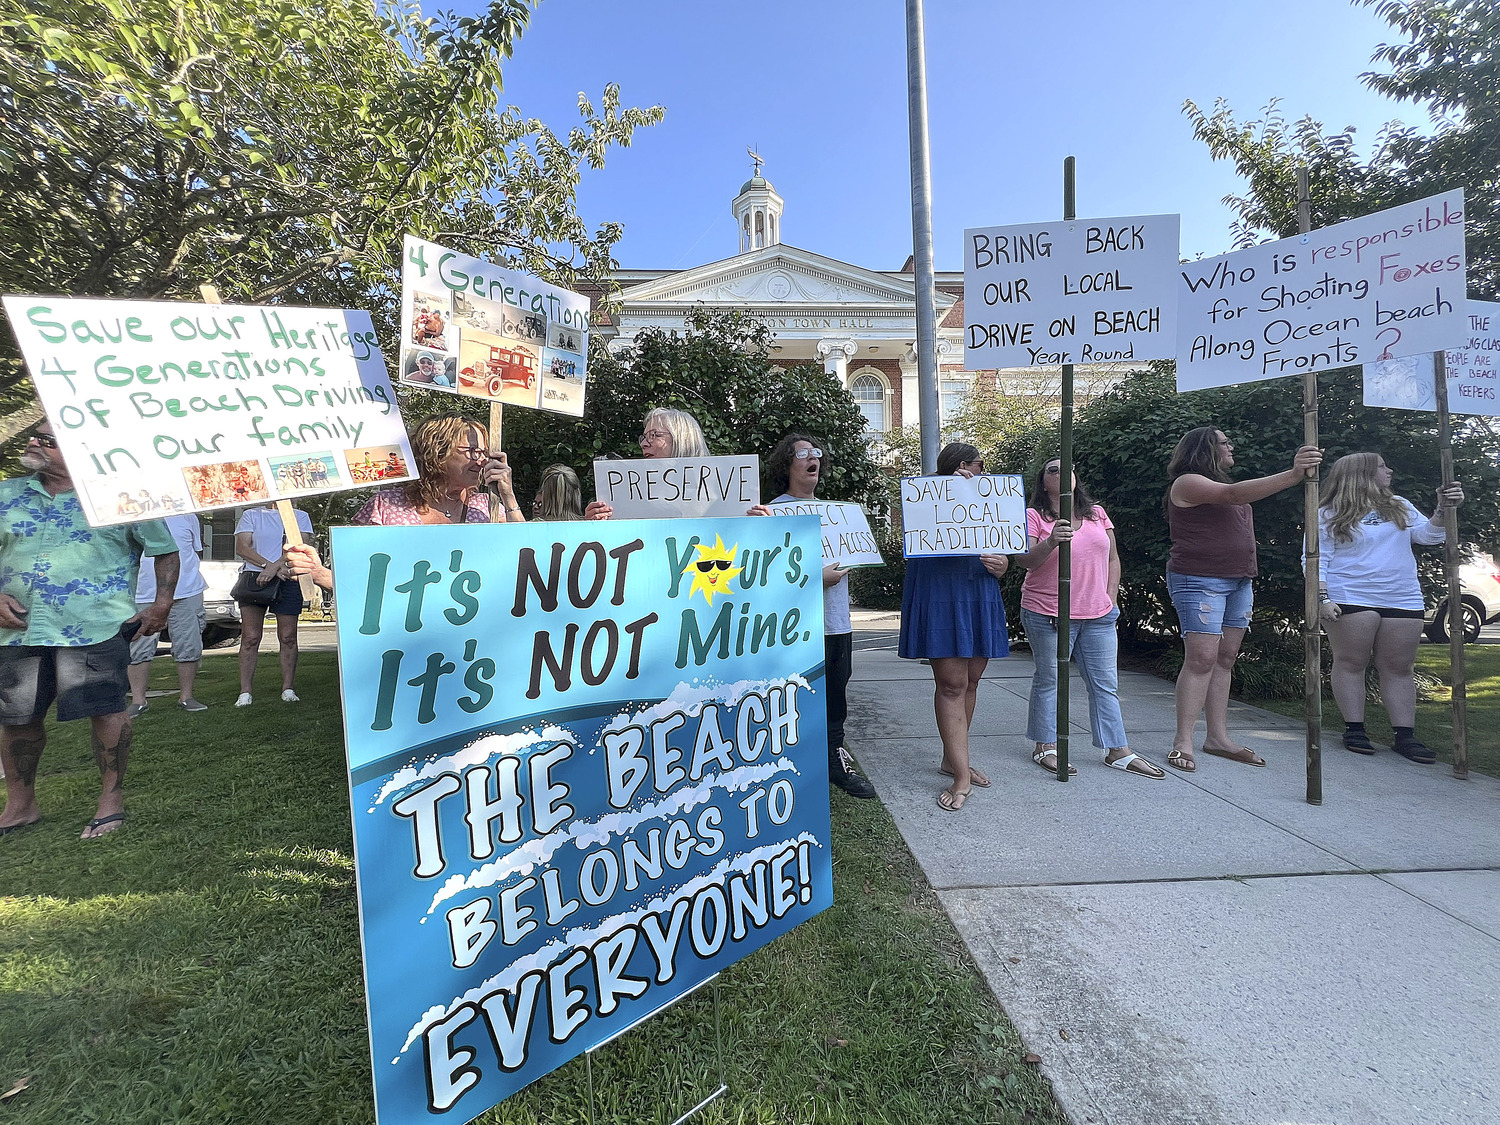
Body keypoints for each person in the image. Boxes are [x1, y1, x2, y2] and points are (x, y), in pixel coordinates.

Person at [0, 421, 179, 839]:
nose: (33, 443)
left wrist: (162, 605)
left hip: (94, 627)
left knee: (106, 711)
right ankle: (21, 806)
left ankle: (110, 802)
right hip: (18, 629)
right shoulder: (6, 494)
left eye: (47, 440)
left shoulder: (125, 496)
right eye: (35, 437)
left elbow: (166, 552)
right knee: (17, 718)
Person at [1164, 426, 1322, 772]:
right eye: (1224, 442)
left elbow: (1233, 498)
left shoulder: (1219, 486)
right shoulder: (1187, 482)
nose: (1231, 446)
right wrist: (1294, 474)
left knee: (1225, 658)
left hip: (1238, 581)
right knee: (1202, 659)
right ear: (1205, 450)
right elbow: (1234, 495)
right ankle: (1183, 741)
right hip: (1200, 580)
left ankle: (1217, 738)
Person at [1011, 459, 1164, 779]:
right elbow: (1024, 560)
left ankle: (1117, 749)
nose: (1061, 471)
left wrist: (1110, 597)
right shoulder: (1033, 516)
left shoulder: (1096, 513)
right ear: (1043, 483)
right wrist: (1052, 540)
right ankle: (1045, 745)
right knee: (1050, 679)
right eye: (1052, 469)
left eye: (1067, 467)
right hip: (1047, 611)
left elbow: (1112, 557)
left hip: (1098, 613)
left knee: (1105, 683)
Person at [1313, 453, 1462, 763]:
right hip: (1351, 595)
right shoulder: (1328, 513)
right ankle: (1355, 729)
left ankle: (1405, 736)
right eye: (1382, 466)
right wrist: (1323, 599)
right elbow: (1315, 559)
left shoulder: (1399, 506)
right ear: (1363, 472)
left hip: (1401, 596)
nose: (1389, 470)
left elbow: (1429, 536)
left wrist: (1443, 509)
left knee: (1399, 667)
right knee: (1351, 662)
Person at [755, 434, 876, 799]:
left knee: (835, 695)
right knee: (793, 698)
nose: (813, 459)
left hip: (835, 622)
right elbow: (767, 572)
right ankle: (795, 766)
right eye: (803, 453)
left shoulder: (837, 512)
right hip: (793, 628)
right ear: (787, 464)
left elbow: (853, 555)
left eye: (816, 454)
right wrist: (813, 578)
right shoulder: (772, 512)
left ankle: (833, 762)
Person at [898, 442, 1010, 811]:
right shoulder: (926, 494)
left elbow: (1005, 548)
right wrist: (944, 484)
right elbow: (911, 516)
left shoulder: (989, 499)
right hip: (940, 592)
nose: (983, 470)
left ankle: (952, 758)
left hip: (979, 589)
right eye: (980, 464)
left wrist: (1002, 566)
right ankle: (961, 775)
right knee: (951, 684)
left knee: (971, 681)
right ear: (963, 465)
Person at [353, 414, 523, 526]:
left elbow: (525, 552)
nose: (483, 461)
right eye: (474, 451)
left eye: (484, 453)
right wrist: (324, 575)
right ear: (438, 452)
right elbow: (354, 573)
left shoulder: (487, 506)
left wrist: (508, 496)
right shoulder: (385, 506)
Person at [127, 514, 210, 717]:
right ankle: (138, 701)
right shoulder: (133, 514)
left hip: (187, 590)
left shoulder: (187, 516)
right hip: (143, 592)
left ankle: (186, 697)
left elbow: (193, 551)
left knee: (189, 643)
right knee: (138, 646)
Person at [234, 502, 313, 707]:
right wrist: (268, 567)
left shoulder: (300, 516)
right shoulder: (251, 515)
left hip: (288, 578)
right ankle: (245, 692)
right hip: (254, 577)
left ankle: (288, 688)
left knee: (288, 636)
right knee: (250, 637)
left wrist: (276, 568)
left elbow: (299, 548)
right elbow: (242, 547)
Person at [585, 408, 709, 519]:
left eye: (654, 435)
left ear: (682, 440)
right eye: (644, 437)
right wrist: (596, 524)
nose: (644, 444)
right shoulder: (629, 493)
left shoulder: (714, 496)